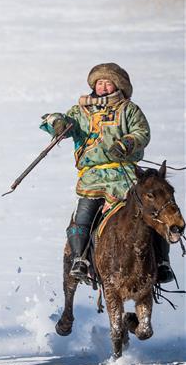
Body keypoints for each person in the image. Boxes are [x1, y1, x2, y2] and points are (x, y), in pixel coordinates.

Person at [41, 62, 173, 284]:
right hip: (92, 177)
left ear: (117, 86)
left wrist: (127, 143)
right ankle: (79, 260)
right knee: (82, 218)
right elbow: (62, 122)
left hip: (126, 177)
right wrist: (57, 123)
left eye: (107, 82)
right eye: (99, 82)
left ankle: (161, 263)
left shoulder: (129, 110)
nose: (102, 87)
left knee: (150, 215)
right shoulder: (80, 111)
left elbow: (142, 132)